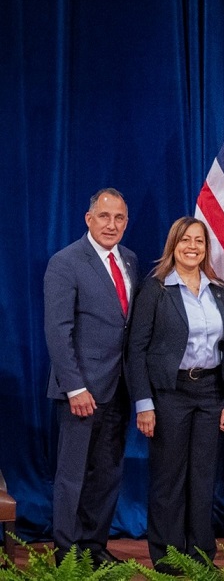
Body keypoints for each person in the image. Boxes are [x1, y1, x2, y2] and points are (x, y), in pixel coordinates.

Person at [126, 217, 224, 572]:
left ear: (206, 248)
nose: (192, 246)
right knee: (169, 478)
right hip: (170, 394)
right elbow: (137, 349)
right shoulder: (156, 289)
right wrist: (144, 403)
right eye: (185, 241)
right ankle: (167, 557)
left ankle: (200, 556)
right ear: (173, 246)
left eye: (199, 241)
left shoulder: (220, 290)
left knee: (203, 477)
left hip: (211, 393)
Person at [43, 188, 138, 564]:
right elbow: (58, 331)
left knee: (107, 475)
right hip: (81, 391)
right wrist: (75, 387)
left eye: (119, 218)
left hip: (119, 390)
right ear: (89, 218)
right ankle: (67, 554)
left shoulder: (129, 260)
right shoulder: (66, 262)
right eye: (104, 216)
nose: (111, 225)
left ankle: (94, 548)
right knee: (72, 475)